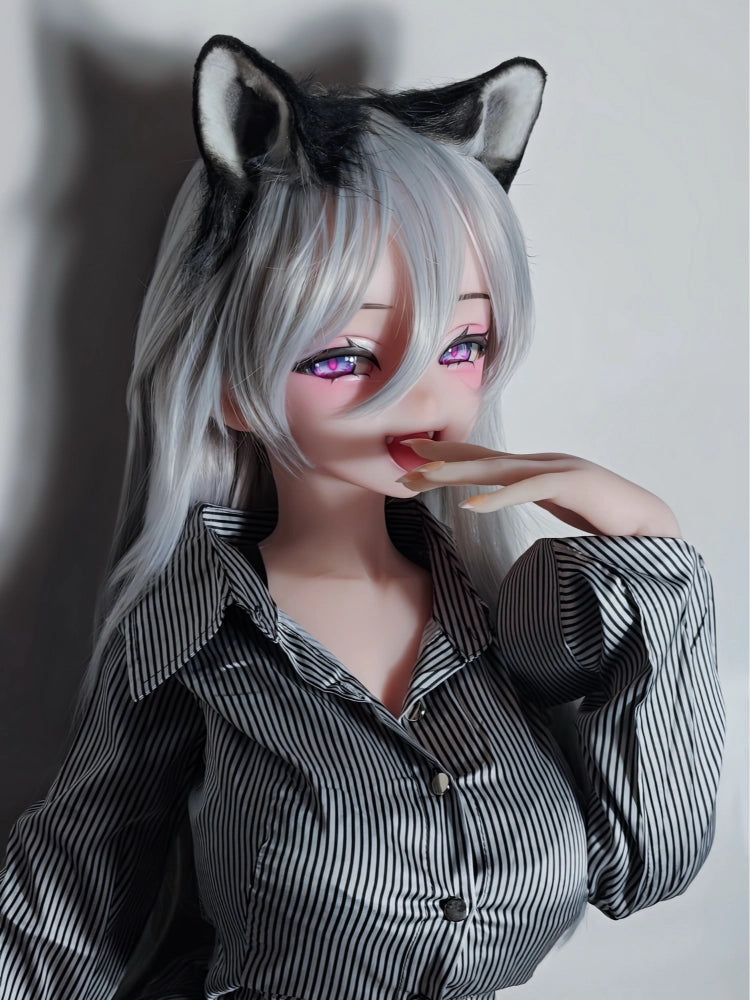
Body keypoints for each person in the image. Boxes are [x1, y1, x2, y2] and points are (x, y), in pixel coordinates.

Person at [0, 34, 724, 1000]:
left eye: (462, 344)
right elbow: (65, 914)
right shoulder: (188, 645)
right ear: (231, 386)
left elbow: (645, 864)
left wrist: (648, 542)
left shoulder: (521, 621)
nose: (423, 397)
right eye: (344, 358)